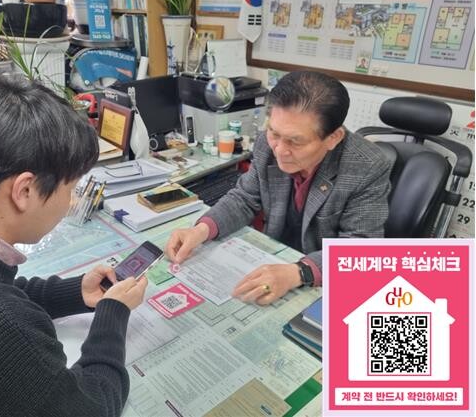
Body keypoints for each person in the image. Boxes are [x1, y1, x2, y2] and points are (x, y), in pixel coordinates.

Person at [0, 73, 148, 416]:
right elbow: (90, 409)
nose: (70, 202)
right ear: (24, 191)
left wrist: (73, 293)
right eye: (70, 188)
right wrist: (113, 315)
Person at [165, 70, 392, 305]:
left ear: (333, 138)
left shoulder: (367, 166)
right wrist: (201, 230)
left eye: (296, 141)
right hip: (273, 258)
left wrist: (299, 273)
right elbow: (244, 199)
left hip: (322, 280)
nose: (280, 150)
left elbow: (360, 248)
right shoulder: (267, 144)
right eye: (274, 132)